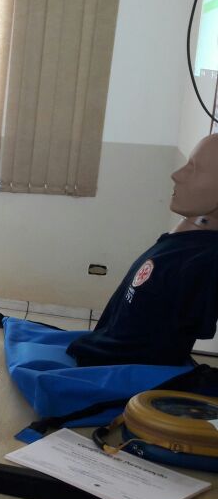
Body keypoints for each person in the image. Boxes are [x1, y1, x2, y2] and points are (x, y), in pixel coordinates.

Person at [68, 134, 218, 367]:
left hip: (124, 370)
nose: (177, 175)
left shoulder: (206, 259)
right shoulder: (180, 241)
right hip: (102, 351)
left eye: (195, 168)